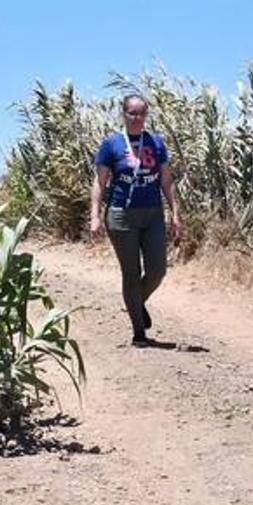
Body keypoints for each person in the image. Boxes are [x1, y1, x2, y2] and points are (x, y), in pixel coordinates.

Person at [89, 94, 181, 346]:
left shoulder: (156, 142)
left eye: (142, 113)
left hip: (152, 213)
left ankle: (136, 303)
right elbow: (100, 182)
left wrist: (175, 213)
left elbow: (166, 180)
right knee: (131, 273)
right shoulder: (112, 144)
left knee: (157, 270)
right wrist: (95, 215)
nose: (137, 118)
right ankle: (138, 330)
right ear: (123, 114)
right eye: (132, 113)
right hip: (121, 215)